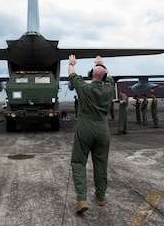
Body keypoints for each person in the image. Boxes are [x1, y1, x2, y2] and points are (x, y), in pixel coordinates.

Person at [68, 54, 114, 214]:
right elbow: (110, 78)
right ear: (105, 76)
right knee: (101, 164)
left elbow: (72, 74)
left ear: (90, 75)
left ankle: (82, 199)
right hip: (103, 129)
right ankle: (100, 197)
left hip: (85, 127)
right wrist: (101, 63)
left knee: (78, 162)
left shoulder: (84, 88)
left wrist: (72, 63)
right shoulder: (109, 88)